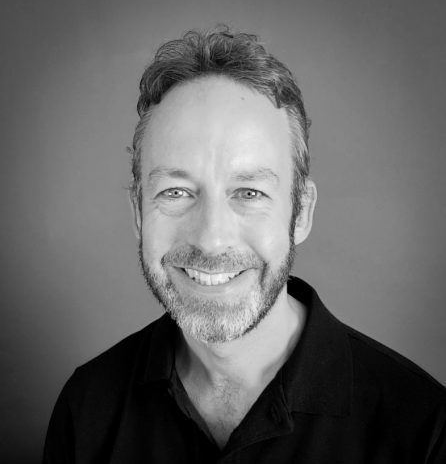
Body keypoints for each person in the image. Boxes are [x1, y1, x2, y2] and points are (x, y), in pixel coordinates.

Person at [43, 27, 446, 463]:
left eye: (249, 192)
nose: (211, 239)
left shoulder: (424, 432)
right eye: (176, 192)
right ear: (139, 214)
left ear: (301, 212)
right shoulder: (87, 407)